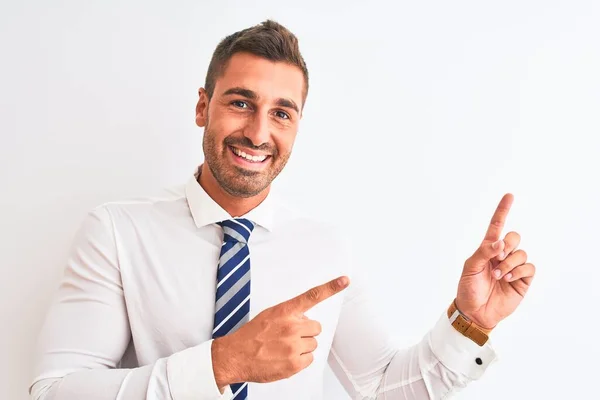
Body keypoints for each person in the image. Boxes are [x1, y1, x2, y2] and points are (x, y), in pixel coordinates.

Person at [29, 20, 535, 400]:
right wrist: (219, 364)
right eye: (241, 103)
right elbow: (53, 391)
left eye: (281, 113)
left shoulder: (328, 248)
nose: (258, 133)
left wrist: (469, 321)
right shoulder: (118, 230)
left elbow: (382, 388)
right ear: (203, 106)